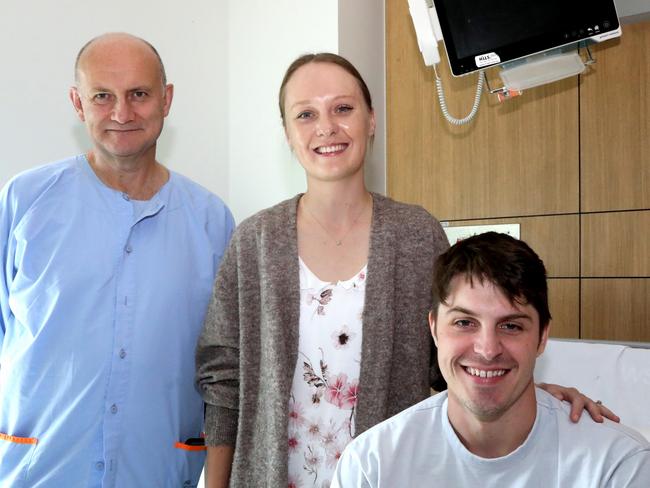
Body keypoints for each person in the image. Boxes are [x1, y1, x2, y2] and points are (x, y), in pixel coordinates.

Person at [195, 53, 614, 488]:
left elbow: (456, 356)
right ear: (287, 133)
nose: (326, 127)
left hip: (392, 476)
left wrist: (534, 397)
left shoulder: (417, 233)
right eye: (306, 114)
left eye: (343, 108)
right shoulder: (254, 241)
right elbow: (224, 382)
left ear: (371, 120)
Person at [0, 33, 234, 487]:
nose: (121, 114)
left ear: (166, 100)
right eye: (102, 96)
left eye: (139, 95)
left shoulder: (212, 222)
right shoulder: (24, 202)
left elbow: (223, 371)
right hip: (40, 472)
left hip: (157, 473)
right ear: (77, 102)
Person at [332, 232, 650, 487]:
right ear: (434, 329)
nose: (487, 349)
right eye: (464, 323)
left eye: (511, 326)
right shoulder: (371, 466)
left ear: (542, 337)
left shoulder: (617, 467)